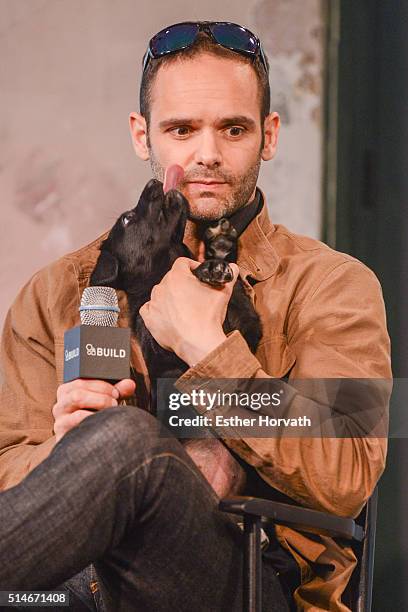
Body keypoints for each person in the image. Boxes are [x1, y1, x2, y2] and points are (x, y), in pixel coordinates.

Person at [0, 21, 391, 612]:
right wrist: (66, 453)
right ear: (142, 136)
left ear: (269, 135)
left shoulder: (334, 286)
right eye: (181, 129)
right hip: (70, 592)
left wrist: (210, 351)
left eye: (233, 129)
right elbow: (7, 472)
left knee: (129, 441)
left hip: (245, 583)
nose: (207, 154)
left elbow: (348, 471)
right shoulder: (58, 291)